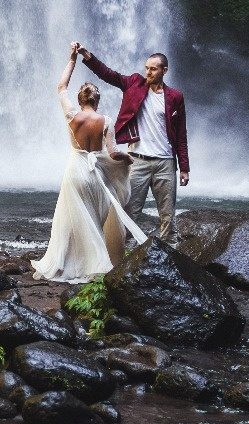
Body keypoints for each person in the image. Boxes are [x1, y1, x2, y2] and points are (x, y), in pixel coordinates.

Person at [31, 43, 148, 283]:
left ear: (79, 98)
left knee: (70, 220)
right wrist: (128, 158)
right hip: (96, 176)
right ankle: (96, 264)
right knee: (94, 221)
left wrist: (72, 59)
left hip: (75, 171)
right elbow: (114, 153)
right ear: (97, 100)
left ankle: (66, 263)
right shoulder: (105, 120)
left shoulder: (72, 115)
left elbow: (60, 86)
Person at [76, 45, 189, 239]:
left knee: (167, 216)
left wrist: (185, 168)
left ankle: (168, 258)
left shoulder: (175, 97)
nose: (148, 72)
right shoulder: (134, 84)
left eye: (153, 69)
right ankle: (126, 262)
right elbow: (109, 75)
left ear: (164, 71)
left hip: (166, 163)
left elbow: (181, 134)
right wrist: (87, 56)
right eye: (147, 68)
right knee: (130, 213)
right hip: (137, 160)